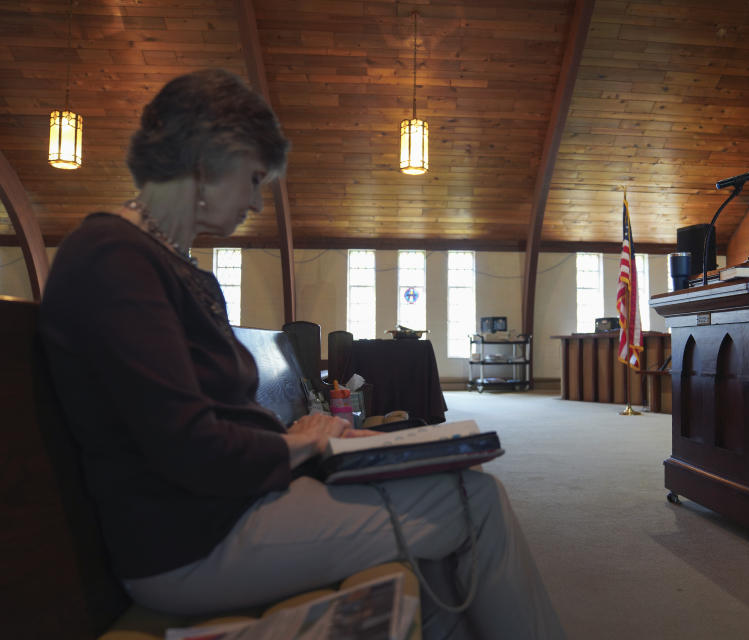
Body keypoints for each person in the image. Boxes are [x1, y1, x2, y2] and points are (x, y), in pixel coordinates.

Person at [39, 69, 564, 640]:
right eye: (255, 179)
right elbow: (191, 448)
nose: (258, 201)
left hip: (231, 504)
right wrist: (305, 442)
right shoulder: (112, 257)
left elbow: (220, 416)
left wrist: (318, 438)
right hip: (192, 538)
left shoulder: (172, 266)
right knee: (475, 500)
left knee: (436, 518)